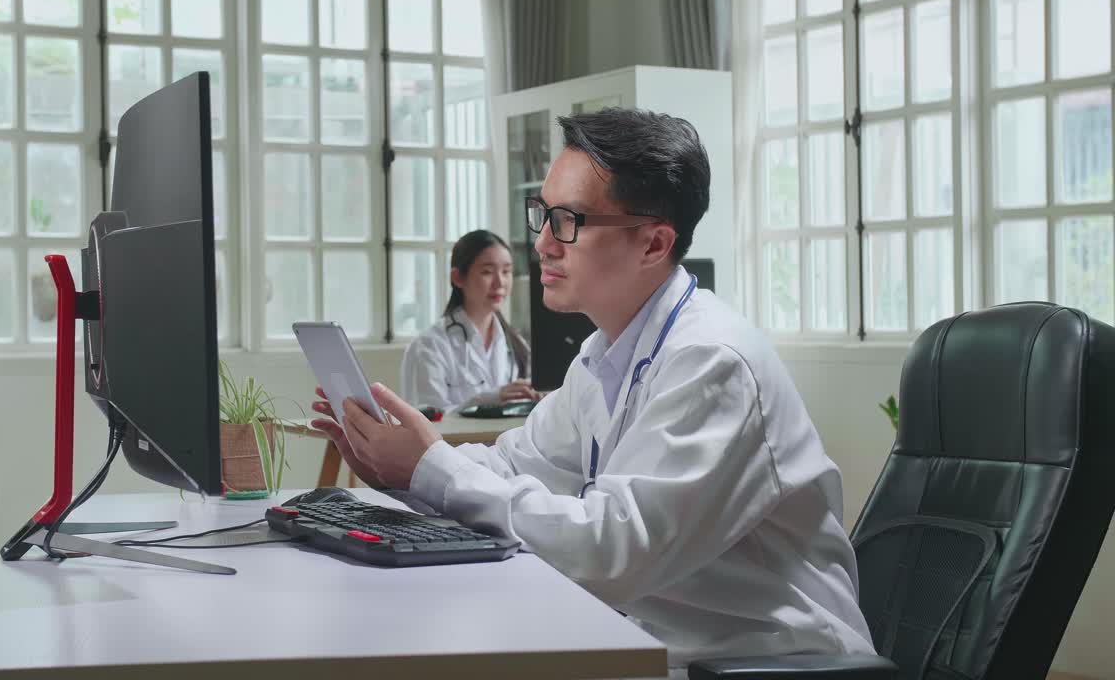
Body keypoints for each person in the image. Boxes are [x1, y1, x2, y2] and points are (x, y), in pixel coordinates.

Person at [311, 108, 875, 672]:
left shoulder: (713, 363)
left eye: (568, 221)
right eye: (542, 216)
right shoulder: (603, 357)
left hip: (768, 663)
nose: (542, 244)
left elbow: (612, 551)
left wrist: (430, 468)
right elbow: (513, 466)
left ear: (653, 244)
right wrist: (404, 467)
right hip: (654, 648)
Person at [399, 230, 538, 412]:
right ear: (457, 278)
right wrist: (493, 397)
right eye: (487, 272)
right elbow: (427, 418)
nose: (500, 282)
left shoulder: (516, 344)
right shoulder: (428, 347)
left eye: (506, 271)